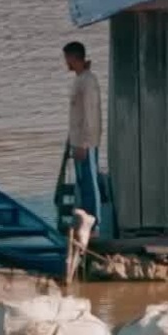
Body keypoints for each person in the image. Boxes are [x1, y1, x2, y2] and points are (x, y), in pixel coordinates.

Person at [63, 41, 104, 250]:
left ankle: (95, 223)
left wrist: (85, 143)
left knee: (90, 182)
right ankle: (86, 220)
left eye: (67, 58)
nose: (66, 63)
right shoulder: (80, 80)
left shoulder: (87, 81)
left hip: (86, 142)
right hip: (79, 140)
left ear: (74, 58)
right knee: (83, 182)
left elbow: (90, 114)